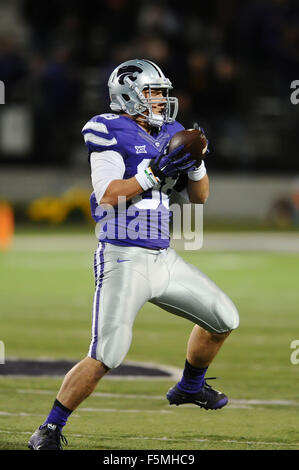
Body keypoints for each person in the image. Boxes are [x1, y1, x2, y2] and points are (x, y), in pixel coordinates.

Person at [28, 59, 239, 450]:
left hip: (163, 258)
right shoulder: (108, 128)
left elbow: (200, 198)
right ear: (129, 94)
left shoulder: (173, 130)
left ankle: (190, 387)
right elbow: (108, 196)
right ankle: (50, 429)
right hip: (123, 257)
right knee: (107, 353)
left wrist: (197, 159)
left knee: (224, 318)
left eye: (162, 92)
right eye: (153, 92)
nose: (162, 99)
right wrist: (154, 174)